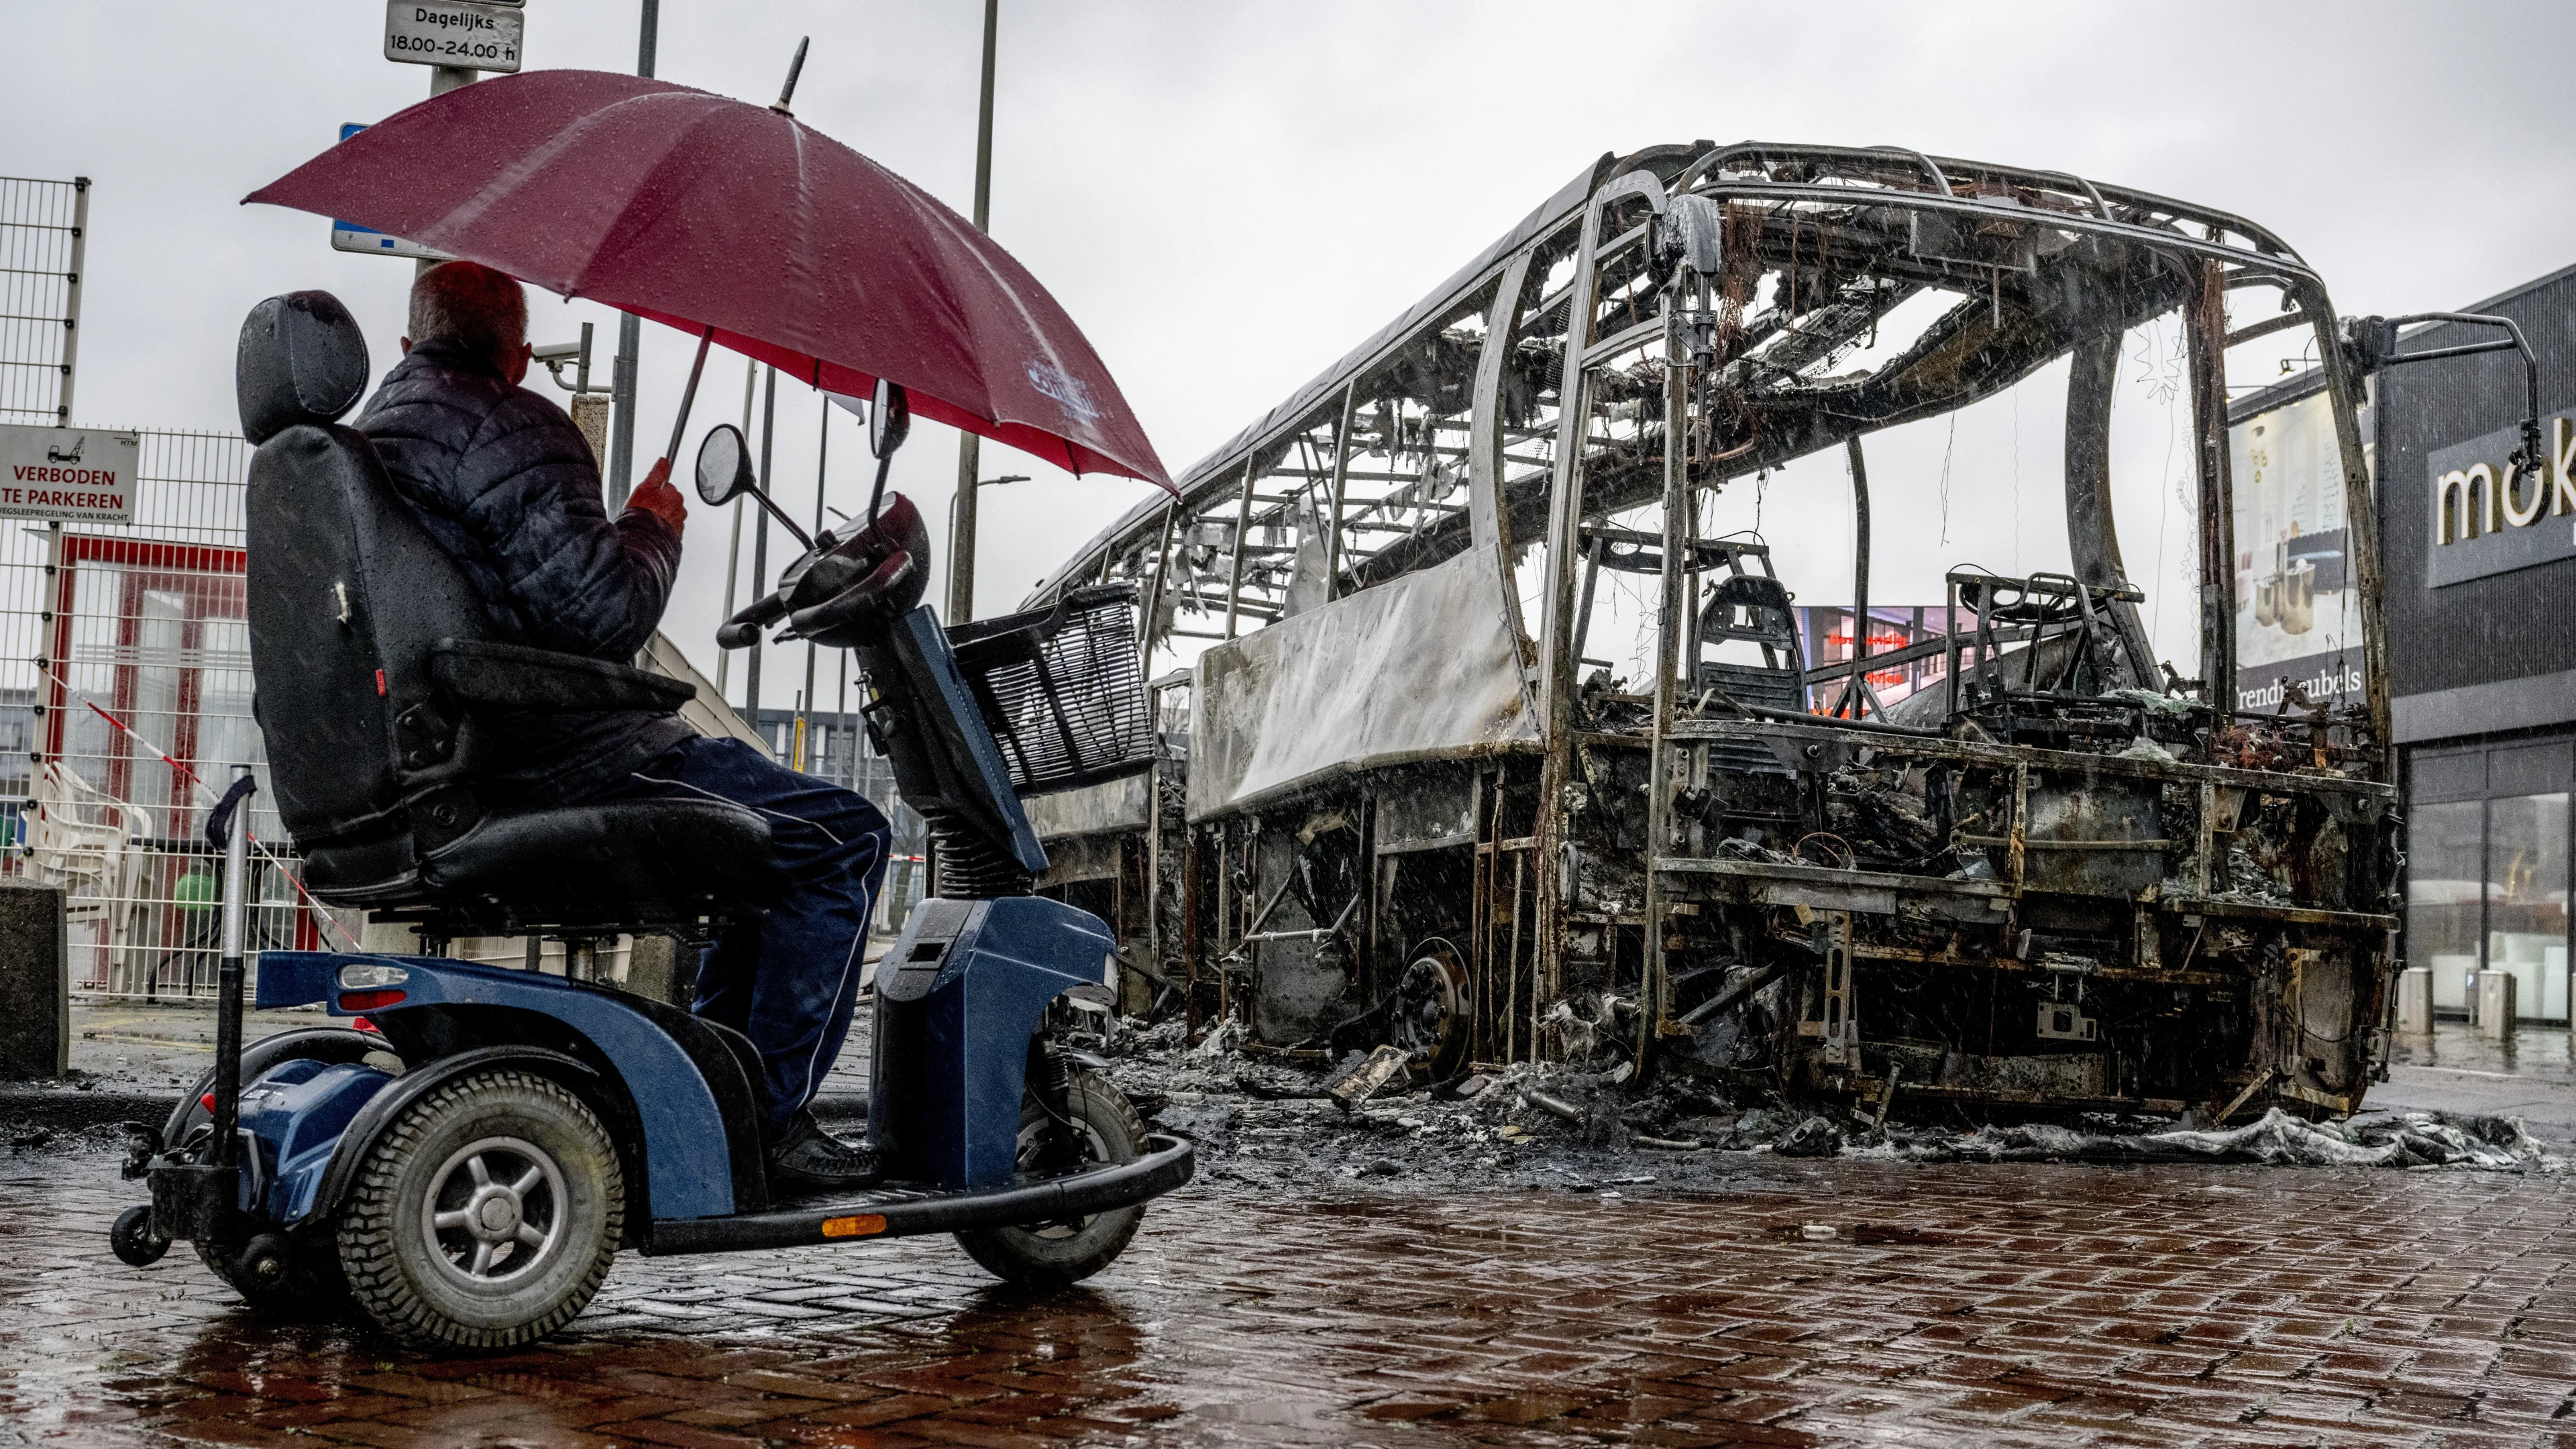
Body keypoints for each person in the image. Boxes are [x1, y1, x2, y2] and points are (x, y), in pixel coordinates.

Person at [355, 260, 890, 1186]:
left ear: (408, 345)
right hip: (562, 753)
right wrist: (652, 526)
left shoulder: (357, 445)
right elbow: (605, 615)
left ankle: (714, 1097)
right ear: (519, 357)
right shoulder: (515, 426)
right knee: (845, 839)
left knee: (768, 853)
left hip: (444, 759)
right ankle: (760, 1127)